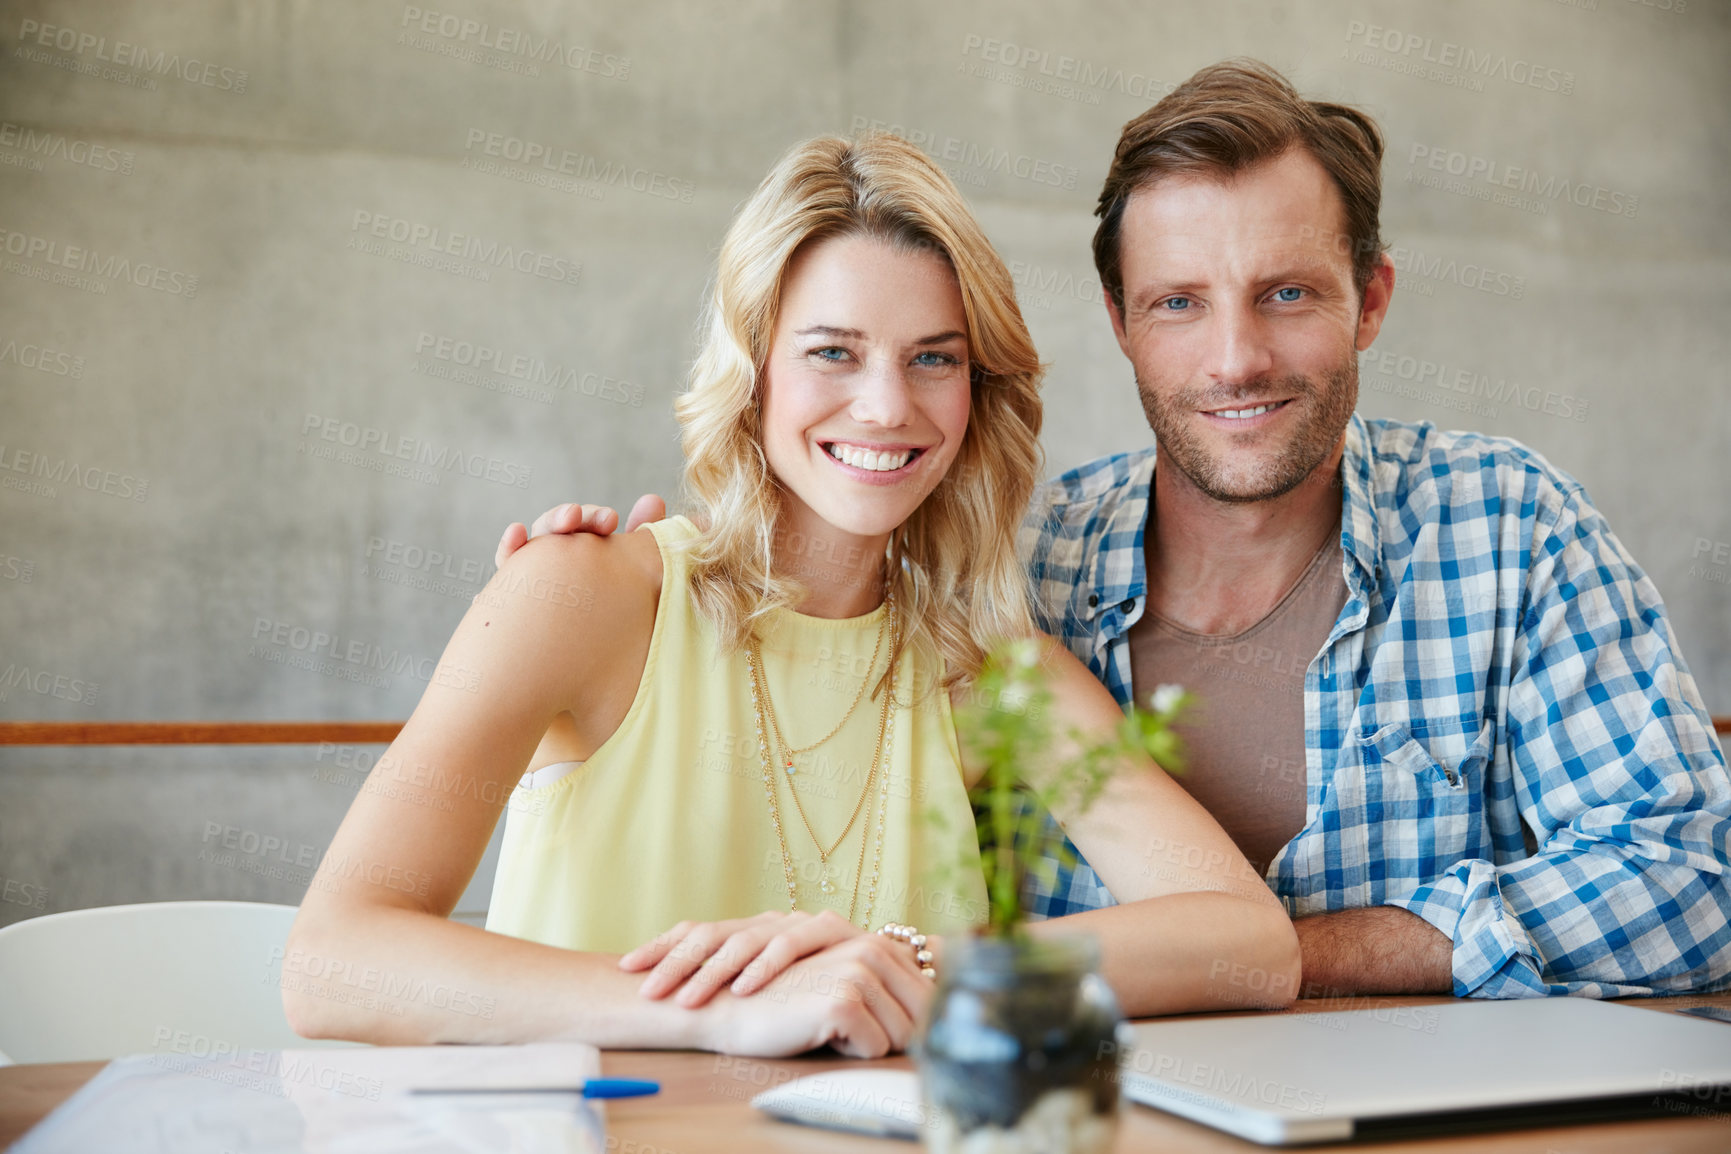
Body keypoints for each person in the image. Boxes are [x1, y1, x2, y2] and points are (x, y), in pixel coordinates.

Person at [500, 60, 1731, 1001]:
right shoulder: (1013, 578)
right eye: (1180, 303)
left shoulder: (1505, 528)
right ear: (1120, 321)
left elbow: (1697, 874)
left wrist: (1313, 952)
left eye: (1289, 292)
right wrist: (583, 599)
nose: (1236, 356)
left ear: (1372, 298)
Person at [284, 132, 1299, 1059]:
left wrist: (922, 969)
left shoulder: (988, 671)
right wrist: (720, 1009)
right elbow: (331, 961)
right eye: (833, 351)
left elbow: (1249, 942)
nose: (887, 405)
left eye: (933, 358)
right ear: (753, 367)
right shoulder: (582, 592)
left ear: (976, 392)